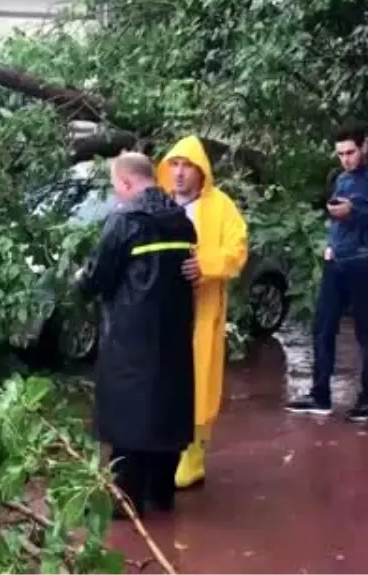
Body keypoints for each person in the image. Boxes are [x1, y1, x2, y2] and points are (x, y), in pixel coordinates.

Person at [77, 151, 198, 518]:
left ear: (127, 183)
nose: (116, 195)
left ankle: (125, 501)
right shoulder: (180, 219)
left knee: (129, 416)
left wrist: (79, 279)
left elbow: (98, 278)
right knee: (166, 408)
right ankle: (161, 494)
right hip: (173, 336)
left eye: (116, 187)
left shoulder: (124, 221)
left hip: (130, 337)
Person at [286, 124, 368, 422]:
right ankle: (320, 394)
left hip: (365, 263)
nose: (346, 159)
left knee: (367, 334)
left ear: (365, 147)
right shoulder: (341, 179)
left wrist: (356, 213)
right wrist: (330, 243)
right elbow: (339, 219)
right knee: (322, 328)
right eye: (340, 154)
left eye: (350, 152)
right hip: (336, 261)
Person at [156, 135, 248, 490]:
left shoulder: (221, 206)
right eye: (174, 164)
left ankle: (194, 455)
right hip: (163, 310)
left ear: (201, 171)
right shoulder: (160, 203)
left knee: (199, 380)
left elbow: (237, 250)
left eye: (187, 166)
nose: (179, 173)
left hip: (202, 309)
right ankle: (162, 447)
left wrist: (206, 265)